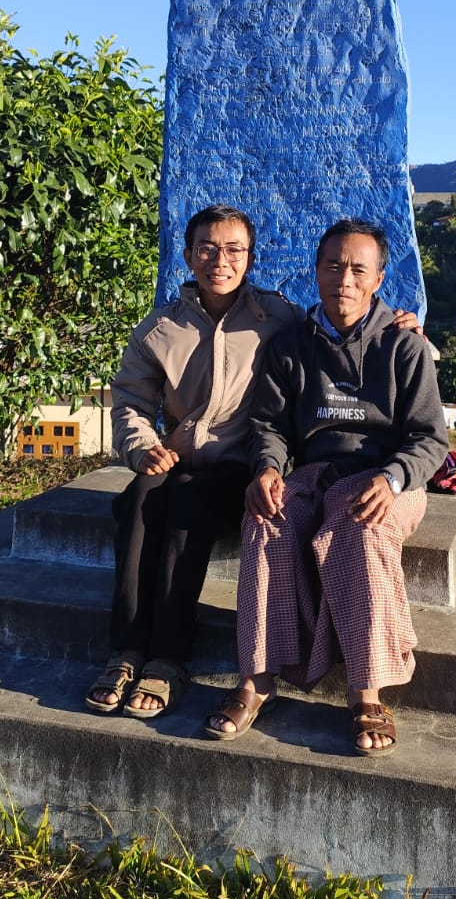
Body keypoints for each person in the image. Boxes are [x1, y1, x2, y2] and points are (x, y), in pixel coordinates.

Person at [86, 206, 423, 719]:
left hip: (250, 464)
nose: (220, 260)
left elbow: (420, 425)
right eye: (207, 248)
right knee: (139, 502)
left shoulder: (278, 318)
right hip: (184, 457)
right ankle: (133, 651)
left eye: (234, 250)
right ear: (187, 255)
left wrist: (404, 326)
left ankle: (173, 660)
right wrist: (142, 446)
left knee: (191, 510)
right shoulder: (165, 328)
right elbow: (134, 399)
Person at [205, 218, 448, 755]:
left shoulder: (403, 347)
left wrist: (392, 478)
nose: (345, 278)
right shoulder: (291, 345)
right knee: (265, 522)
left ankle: (366, 690)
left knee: (361, 531)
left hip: (387, 477)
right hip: (313, 473)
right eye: (333, 265)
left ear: (379, 279)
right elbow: (268, 424)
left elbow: (431, 439)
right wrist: (267, 469)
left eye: (359, 268)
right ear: (315, 272)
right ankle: (257, 677)